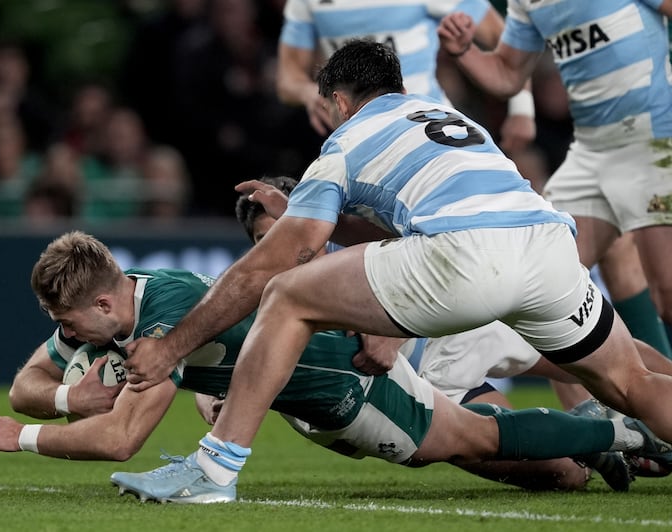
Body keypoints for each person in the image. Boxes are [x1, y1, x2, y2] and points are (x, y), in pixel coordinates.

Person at [116, 39, 672, 503]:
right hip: (548, 244)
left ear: (337, 99)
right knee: (633, 382)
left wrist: (170, 349)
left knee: (286, 295)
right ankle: (611, 431)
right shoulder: (446, 114)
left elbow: (283, 256)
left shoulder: (345, 141)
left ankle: (213, 472)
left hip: (466, 256)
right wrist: (312, 223)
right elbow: (398, 225)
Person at [0, 231, 667, 498]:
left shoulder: (162, 315)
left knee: (471, 441)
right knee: (473, 436)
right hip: (311, 389)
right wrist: (72, 402)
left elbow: (121, 440)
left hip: (341, 383)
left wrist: (21, 438)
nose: (62, 335)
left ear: (105, 306)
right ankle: (608, 430)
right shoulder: (113, 314)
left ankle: (616, 433)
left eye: (66, 323)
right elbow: (27, 385)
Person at [437, 1, 672, 354]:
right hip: (590, 152)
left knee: (667, 292)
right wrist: (465, 51)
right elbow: (507, 73)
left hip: (652, 137)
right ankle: (618, 405)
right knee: (543, 291)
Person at [276, 0, 535, 153]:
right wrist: (309, 93)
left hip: (430, 129)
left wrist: (522, 109)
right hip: (355, 139)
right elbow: (287, 79)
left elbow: (500, 37)